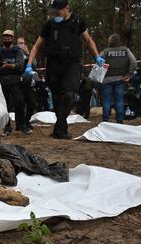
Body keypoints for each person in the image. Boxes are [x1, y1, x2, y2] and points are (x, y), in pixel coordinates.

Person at [26, 0, 103, 139]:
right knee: (56, 98)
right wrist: (29, 64)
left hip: (72, 63)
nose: (56, 14)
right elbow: (37, 45)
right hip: (54, 64)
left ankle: (60, 127)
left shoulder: (78, 21)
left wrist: (97, 56)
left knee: (69, 95)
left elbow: (89, 40)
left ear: (67, 8)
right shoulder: (50, 25)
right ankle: (60, 128)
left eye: (58, 12)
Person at [0, 30, 27, 135]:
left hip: (15, 80)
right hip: (3, 80)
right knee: (4, 105)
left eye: (9, 38)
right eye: (5, 38)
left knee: (19, 103)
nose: (7, 40)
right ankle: (7, 126)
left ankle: (21, 124)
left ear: (13, 39)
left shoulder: (17, 51)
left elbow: (20, 65)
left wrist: (8, 65)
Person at [100, 33, 137, 124]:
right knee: (119, 100)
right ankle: (119, 120)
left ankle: (105, 121)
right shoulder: (125, 50)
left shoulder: (105, 51)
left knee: (107, 101)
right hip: (120, 79)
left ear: (110, 41)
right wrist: (129, 74)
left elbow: (98, 63)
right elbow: (134, 61)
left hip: (106, 80)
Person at [17, 36, 36, 131]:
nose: (22, 45)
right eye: (20, 43)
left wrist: (28, 54)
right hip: (19, 83)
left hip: (29, 83)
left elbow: (34, 65)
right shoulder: (15, 53)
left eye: (23, 43)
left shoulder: (29, 54)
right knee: (20, 104)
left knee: (31, 103)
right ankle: (20, 123)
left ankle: (27, 121)